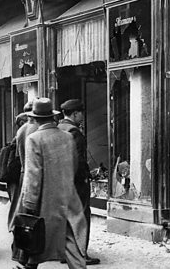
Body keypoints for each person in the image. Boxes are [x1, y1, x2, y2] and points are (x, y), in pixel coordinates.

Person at [21, 98, 87, 269]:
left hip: (46, 200)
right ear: (53, 117)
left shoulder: (34, 139)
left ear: (35, 119)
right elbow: (74, 165)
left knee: (36, 239)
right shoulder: (67, 136)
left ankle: (29, 266)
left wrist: (29, 203)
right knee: (71, 238)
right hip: (68, 196)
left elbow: (33, 175)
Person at [59, 99, 100, 265]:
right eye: (81, 113)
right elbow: (77, 160)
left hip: (61, 181)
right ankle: (80, 253)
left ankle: (65, 252)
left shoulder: (59, 128)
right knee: (81, 216)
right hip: (76, 182)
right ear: (75, 113)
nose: (83, 116)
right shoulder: (74, 132)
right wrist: (85, 176)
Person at [10, 100, 39, 268]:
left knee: (23, 217)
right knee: (32, 219)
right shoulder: (35, 130)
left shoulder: (22, 129)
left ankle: (20, 254)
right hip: (32, 177)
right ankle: (27, 258)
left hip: (23, 175)